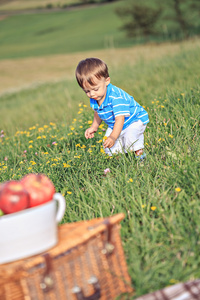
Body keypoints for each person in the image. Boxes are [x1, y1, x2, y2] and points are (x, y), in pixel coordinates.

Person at [75, 57, 149, 158]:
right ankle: (119, 161)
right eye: (87, 91)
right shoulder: (96, 96)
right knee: (108, 145)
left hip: (134, 120)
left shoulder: (115, 97)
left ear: (107, 81)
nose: (91, 94)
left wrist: (113, 137)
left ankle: (140, 156)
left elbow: (120, 118)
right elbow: (98, 112)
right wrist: (94, 126)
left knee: (130, 138)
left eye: (95, 89)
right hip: (116, 124)